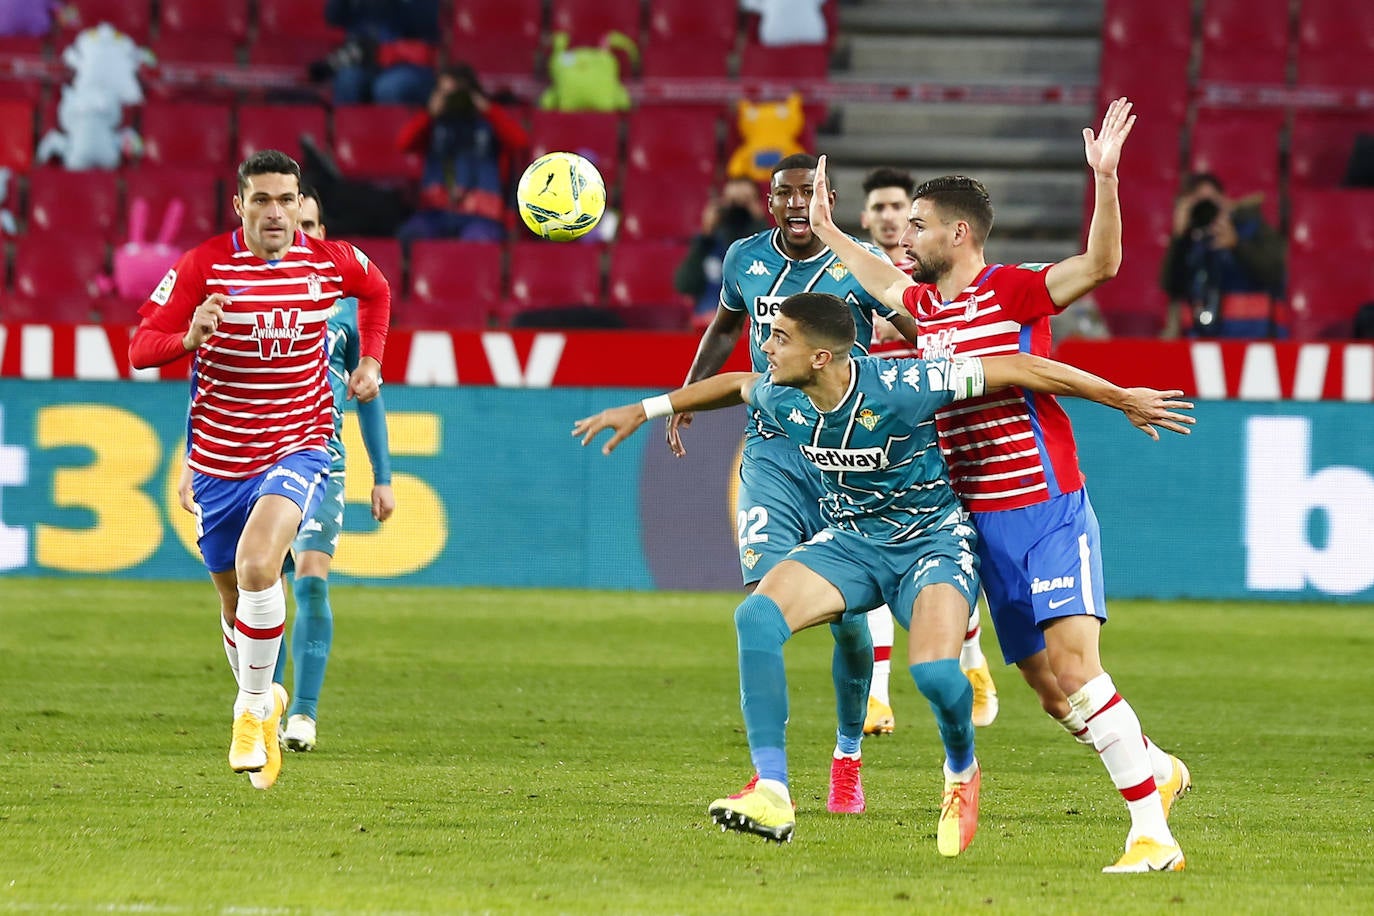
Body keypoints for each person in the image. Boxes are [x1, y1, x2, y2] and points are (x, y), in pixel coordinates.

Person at [574, 292, 1193, 851]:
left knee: (931, 674)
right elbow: (735, 384)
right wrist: (649, 408)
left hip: (931, 544)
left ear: (821, 357)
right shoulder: (779, 392)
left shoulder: (904, 383)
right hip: (854, 543)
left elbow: (1020, 368)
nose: (766, 345)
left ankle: (961, 770)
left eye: (779, 337)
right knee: (756, 616)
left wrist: (1120, 396)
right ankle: (772, 790)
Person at [808, 98, 1195, 873]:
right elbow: (878, 277)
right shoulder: (922, 309)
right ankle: (1155, 763)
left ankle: (1153, 836)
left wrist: (1107, 182)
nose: (903, 237)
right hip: (974, 521)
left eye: (916, 224)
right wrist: (826, 231)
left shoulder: (1015, 292)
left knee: (1080, 670)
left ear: (958, 232)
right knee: (1054, 696)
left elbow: (1101, 267)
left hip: (1044, 507)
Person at [669, 153, 923, 818]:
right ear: (770, 201)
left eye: (807, 194)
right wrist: (686, 397)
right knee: (765, 607)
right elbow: (725, 328)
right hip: (774, 448)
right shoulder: (743, 260)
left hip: (847, 455)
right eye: (784, 194)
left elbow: (914, 325)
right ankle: (769, 776)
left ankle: (846, 758)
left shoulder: (860, 261)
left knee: (844, 620)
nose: (794, 205)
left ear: (829, 200)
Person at [130, 149, 390, 791]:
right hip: (220, 461)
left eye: (286, 200)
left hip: (300, 448)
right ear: (239, 206)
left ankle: (249, 712)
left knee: (257, 567)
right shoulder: (202, 267)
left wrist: (373, 362)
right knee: (231, 597)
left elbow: (378, 290)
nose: (276, 213)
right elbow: (139, 349)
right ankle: (267, 699)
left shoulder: (330, 263)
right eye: (262, 201)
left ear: (300, 204)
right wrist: (186, 339)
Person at [858, 165, 1000, 736]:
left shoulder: (940, 276)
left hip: (935, 424)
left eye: (901, 208)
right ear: (867, 219)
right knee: (871, 543)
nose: (892, 218)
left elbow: (950, 334)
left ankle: (971, 655)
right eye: (882, 209)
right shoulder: (853, 273)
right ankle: (876, 696)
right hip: (874, 428)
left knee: (949, 549)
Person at [396, 64, 529, 243]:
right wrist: (429, 113)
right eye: (444, 93)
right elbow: (403, 143)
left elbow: (520, 143)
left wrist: (487, 109)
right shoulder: (432, 124)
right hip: (435, 213)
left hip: (482, 215)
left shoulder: (489, 123)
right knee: (410, 235)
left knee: (477, 241)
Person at [1159, 172, 1286, 339]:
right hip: (1197, 339)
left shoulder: (1250, 228)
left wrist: (1237, 245)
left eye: (1211, 201)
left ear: (1225, 201)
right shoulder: (1188, 242)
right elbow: (1171, 286)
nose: (1207, 210)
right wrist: (1179, 239)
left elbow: (1275, 273)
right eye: (1199, 203)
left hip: (1251, 338)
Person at [673, 176, 771, 326]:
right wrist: (706, 233)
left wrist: (759, 222)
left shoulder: (766, 244)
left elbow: (771, 280)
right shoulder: (709, 243)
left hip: (752, 327)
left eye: (745, 201)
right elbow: (684, 284)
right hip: (707, 323)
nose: (737, 208)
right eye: (731, 201)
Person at [319, 0, 441, 106]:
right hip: (363, 60)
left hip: (408, 63)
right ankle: (350, 132)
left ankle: (400, 132)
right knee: (348, 81)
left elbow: (426, 19)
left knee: (388, 88)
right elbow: (333, 17)